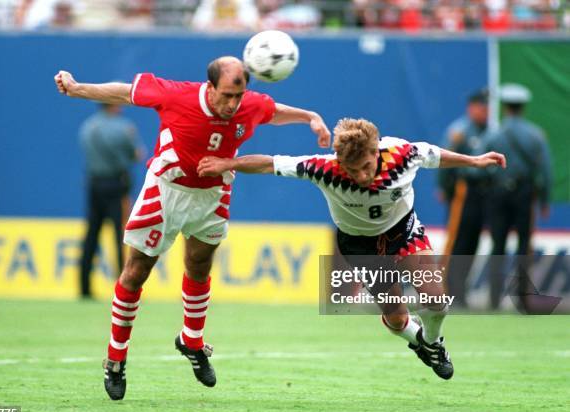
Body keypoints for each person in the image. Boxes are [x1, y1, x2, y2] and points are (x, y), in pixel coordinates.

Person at [54, 56, 330, 400]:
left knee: (199, 268)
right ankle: (115, 358)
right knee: (136, 272)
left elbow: (272, 111)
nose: (233, 104)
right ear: (210, 86)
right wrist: (79, 89)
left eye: (238, 96)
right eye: (226, 95)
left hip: (212, 195)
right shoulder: (177, 96)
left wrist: (311, 118)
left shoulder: (248, 104)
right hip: (166, 190)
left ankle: (192, 342)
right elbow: (126, 92)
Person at [197, 118, 506, 380]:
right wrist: (229, 163)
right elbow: (270, 163)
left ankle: (433, 343)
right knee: (397, 320)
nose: (361, 176)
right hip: (360, 246)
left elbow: (434, 155)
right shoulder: (325, 169)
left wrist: (475, 161)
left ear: (376, 150)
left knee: (437, 299)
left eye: (366, 166)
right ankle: (417, 340)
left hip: (404, 231)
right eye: (352, 170)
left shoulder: (403, 153)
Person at [484, 83, 552, 310]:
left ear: (505, 107)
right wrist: (544, 200)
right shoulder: (535, 135)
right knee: (524, 245)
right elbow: (545, 171)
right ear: (522, 107)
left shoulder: (493, 134)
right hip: (524, 194)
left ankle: (494, 299)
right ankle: (523, 299)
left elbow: (481, 163)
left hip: (499, 193)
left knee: (498, 244)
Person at [79, 103, 143, 299]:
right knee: (121, 236)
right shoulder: (123, 127)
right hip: (117, 185)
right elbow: (136, 154)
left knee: (92, 234)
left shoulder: (88, 126)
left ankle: (84, 286)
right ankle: (124, 286)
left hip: (94, 184)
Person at [438, 88, 489, 307]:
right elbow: (443, 160)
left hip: (482, 193)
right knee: (457, 242)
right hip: (462, 190)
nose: (485, 111)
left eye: (486, 107)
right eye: (481, 106)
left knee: (472, 243)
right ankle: (445, 290)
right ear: (472, 107)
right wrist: (444, 187)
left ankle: (461, 290)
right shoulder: (460, 131)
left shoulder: (489, 131)